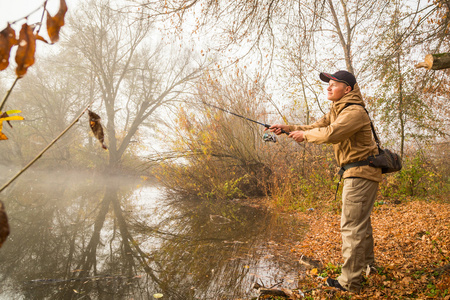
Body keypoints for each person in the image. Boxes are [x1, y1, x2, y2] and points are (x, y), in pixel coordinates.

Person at [268, 70, 382, 293]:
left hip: (360, 173)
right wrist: (287, 128)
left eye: (334, 84)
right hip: (358, 173)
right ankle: (369, 267)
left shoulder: (355, 112)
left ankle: (349, 282)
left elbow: (331, 134)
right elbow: (316, 127)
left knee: (351, 227)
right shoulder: (338, 110)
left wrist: (304, 137)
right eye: (328, 84)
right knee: (361, 224)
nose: (328, 88)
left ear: (347, 89)